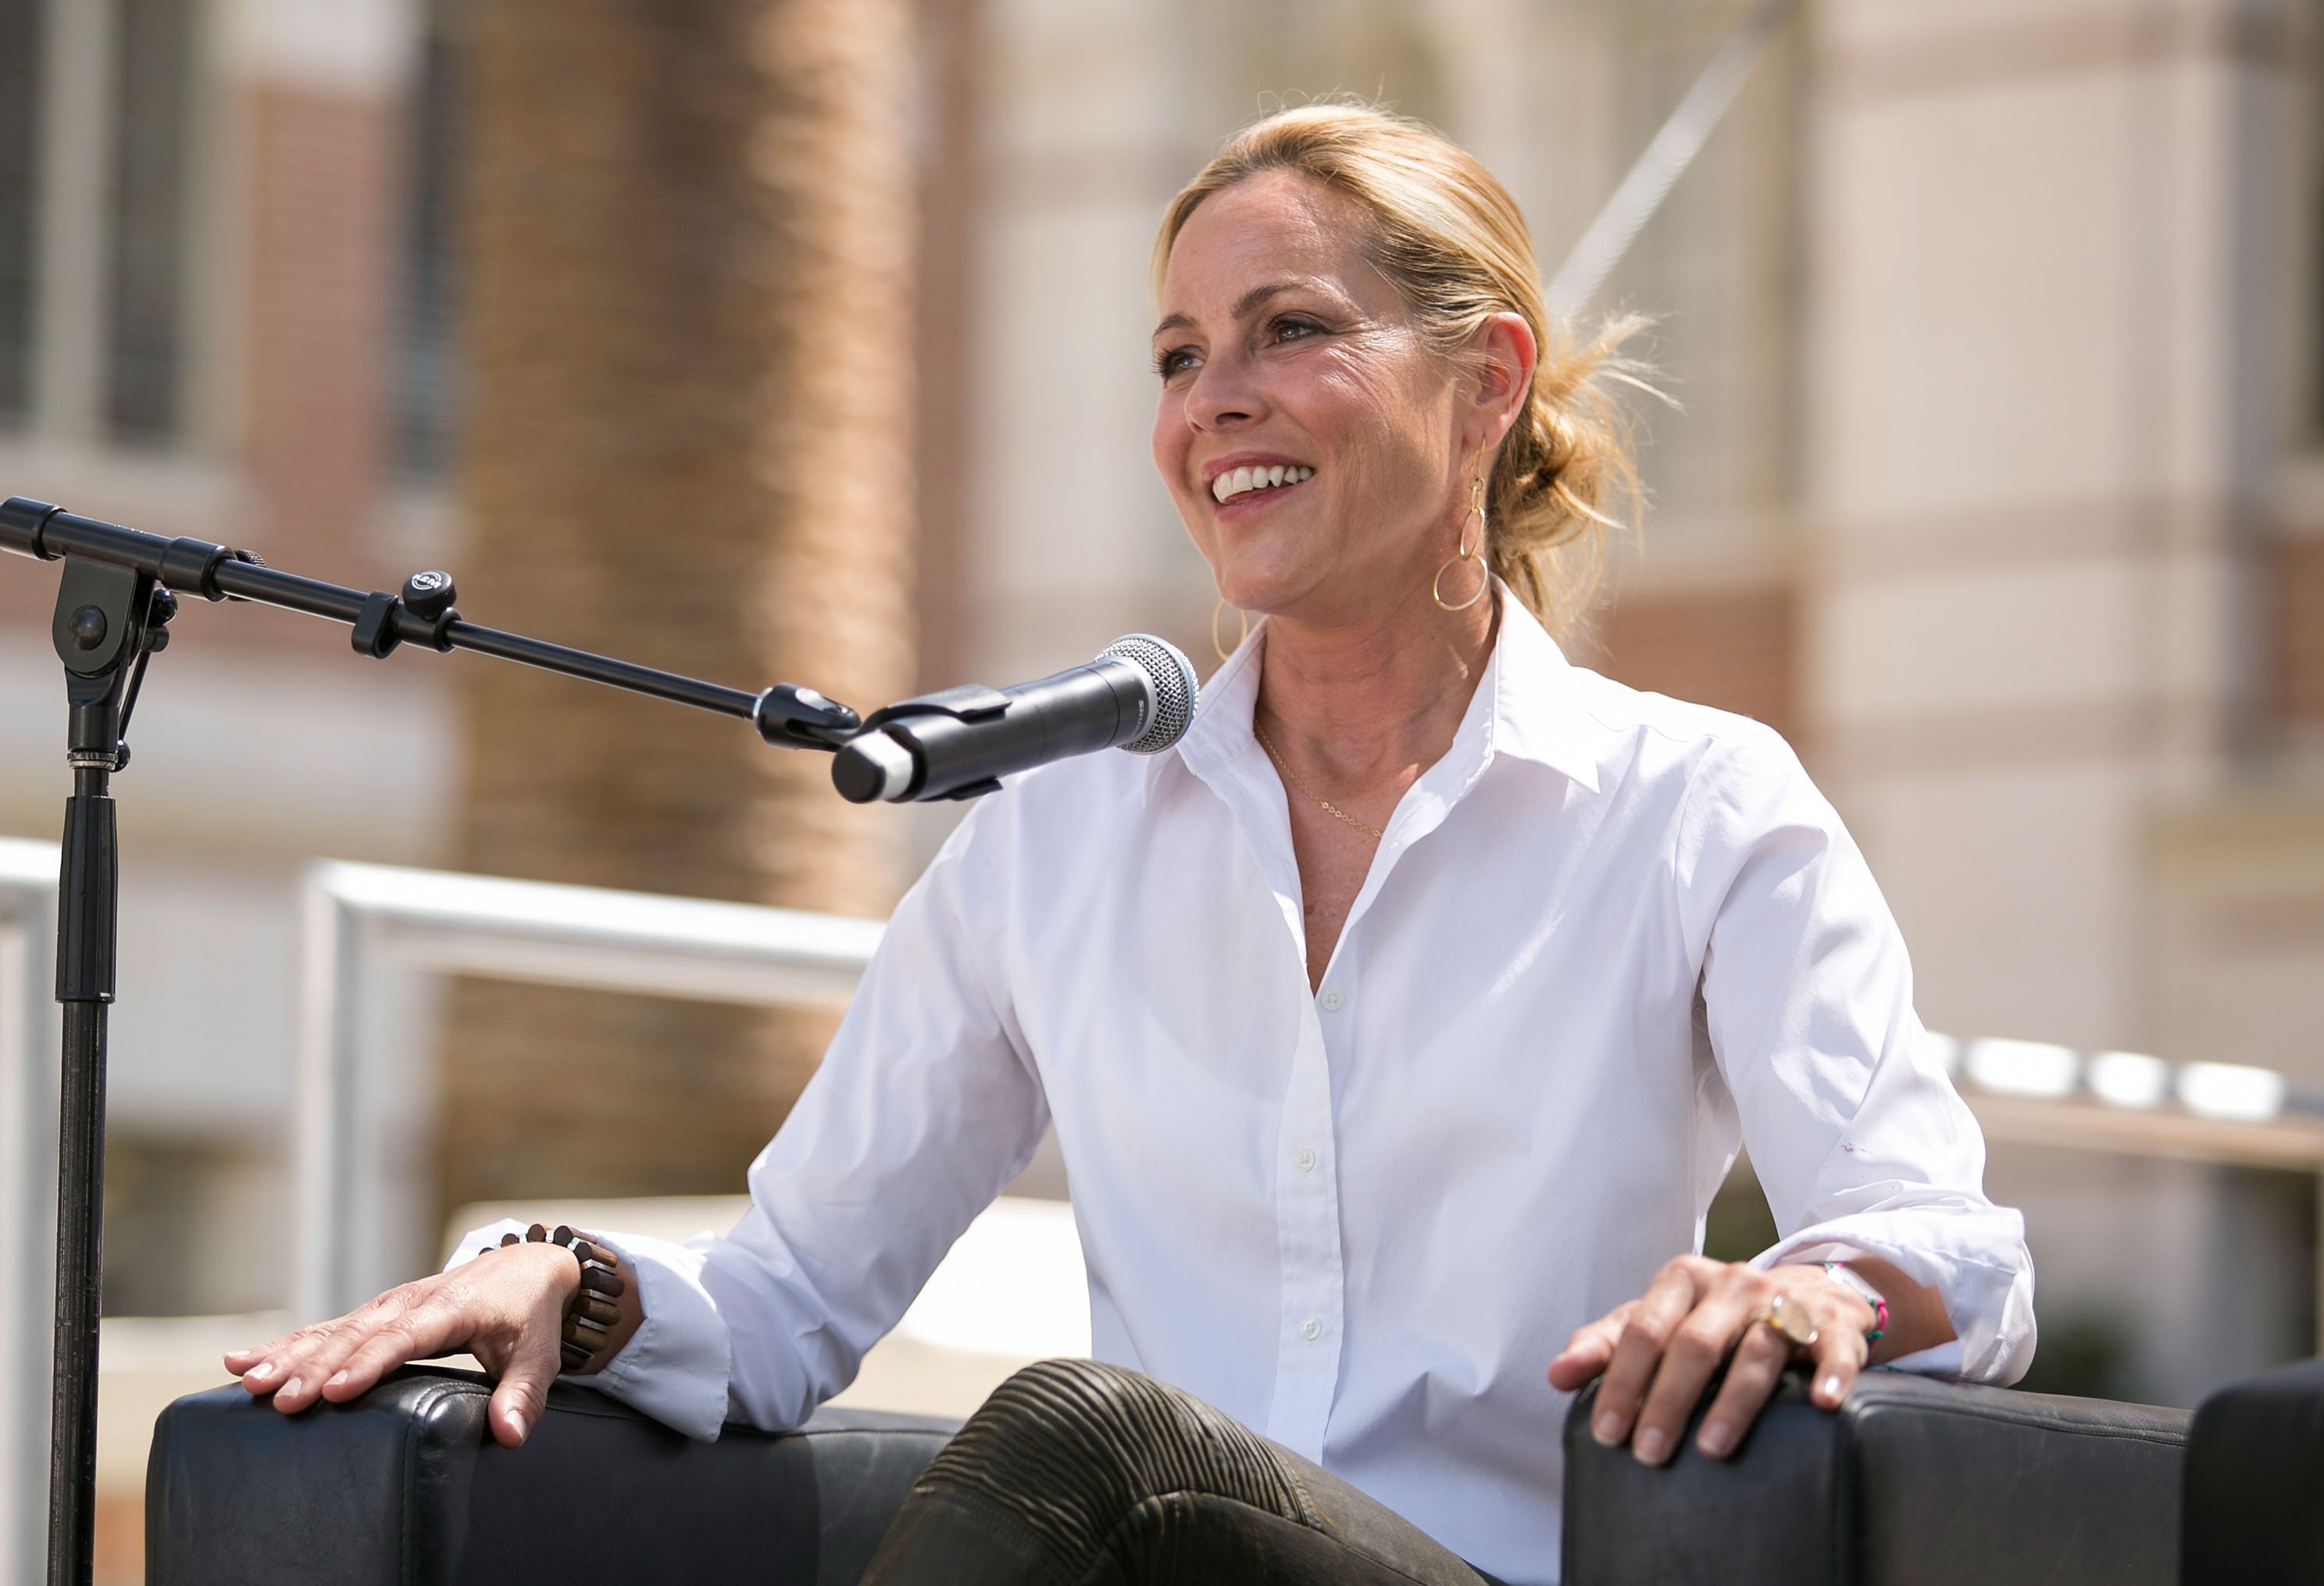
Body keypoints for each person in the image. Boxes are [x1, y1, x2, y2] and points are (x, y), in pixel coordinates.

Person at [227, 102, 2033, 1585]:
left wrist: (1807, 1288)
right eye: (1180, 356)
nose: (1213, 401)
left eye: (1291, 331)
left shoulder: (1697, 807)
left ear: (1488, 383)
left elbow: (1957, 1248)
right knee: (1100, 1452)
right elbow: (789, 1295)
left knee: (1096, 1431)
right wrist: (569, 1271)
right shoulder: (1054, 831)